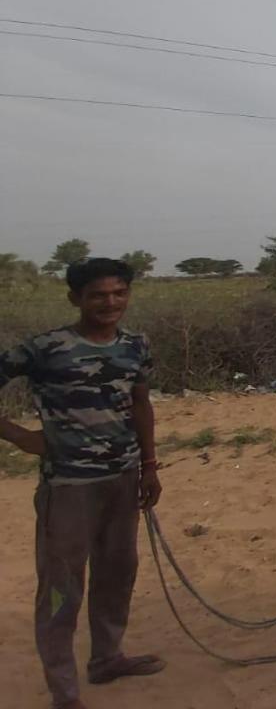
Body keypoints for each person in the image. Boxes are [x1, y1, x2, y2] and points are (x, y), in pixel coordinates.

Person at [0, 258, 165, 709]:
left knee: (117, 573)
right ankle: (65, 693)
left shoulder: (135, 345)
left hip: (123, 479)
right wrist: (21, 437)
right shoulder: (46, 348)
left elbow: (141, 403)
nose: (110, 303)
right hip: (68, 487)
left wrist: (149, 465)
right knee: (61, 588)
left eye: (119, 293)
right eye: (98, 295)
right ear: (75, 298)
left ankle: (107, 658)